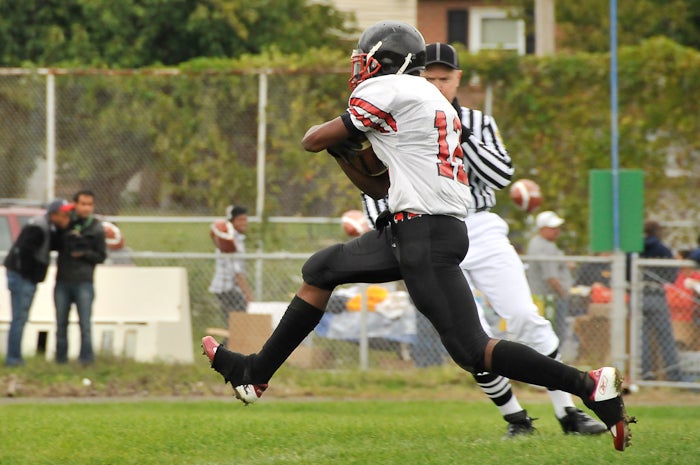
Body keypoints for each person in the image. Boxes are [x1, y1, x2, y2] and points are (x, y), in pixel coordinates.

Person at [201, 21, 633, 451]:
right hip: (422, 227)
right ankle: (255, 373)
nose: (359, 70)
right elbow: (379, 186)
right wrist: (346, 153)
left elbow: (311, 139)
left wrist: (337, 139)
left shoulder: (388, 88)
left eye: (365, 61)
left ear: (388, 62)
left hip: (425, 233)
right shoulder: (427, 97)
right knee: (321, 269)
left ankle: (587, 384)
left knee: (473, 349)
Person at [420, 43, 604, 437]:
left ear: (459, 80)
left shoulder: (478, 122)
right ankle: (516, 419)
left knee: (524, 315)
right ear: (415, 79)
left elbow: (501, 175)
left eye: (444, 78)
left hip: (479, 226)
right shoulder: (402, 123)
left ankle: (568, 412)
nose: (437, 86)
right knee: (470, 335)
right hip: (430, 231)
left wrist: (459, 131)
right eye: (429, 78)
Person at [3, 199, 73, 367]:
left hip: (25, 277)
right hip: (22, 278)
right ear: (54, 214)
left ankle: (15, 358)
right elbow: (23, 253)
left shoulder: (48, 227)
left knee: (21, 318)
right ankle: (13, 359)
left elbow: (57, 244)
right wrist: (31, 276)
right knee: (19, 318)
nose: (67, 217)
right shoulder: (38, 227)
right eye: (64, 213)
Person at [54, 190, 107, 365]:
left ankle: (86, 360)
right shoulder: (66, 223)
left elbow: (101, 256)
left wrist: (84, 253)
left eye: (89, 204)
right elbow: (55, 242)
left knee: (85, 323)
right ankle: (60, 359)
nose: (86, 208)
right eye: (82, 204)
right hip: (63, 281)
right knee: (61, 324)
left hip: (84, 281)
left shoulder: (96, 228)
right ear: (75, 204)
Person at [526, 211, 575, 352]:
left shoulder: (540, 243)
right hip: (551, 298)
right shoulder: (544, 246)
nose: (556, 231)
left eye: (557, 227)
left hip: (546, 297)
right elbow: (551, 277)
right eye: (552, 228)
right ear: (542, 229)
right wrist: (563, 293)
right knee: (555, 333)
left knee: (548, 333)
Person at [638, 220, 681, 381]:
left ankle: (644, 374)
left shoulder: (635, 249)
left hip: (638, 295)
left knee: (642, 339)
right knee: (665, 336)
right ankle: (674, 375)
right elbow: (672, 275)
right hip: (656, 294)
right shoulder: (662, 249)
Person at [208, 205, 253, 327]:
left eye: (245, 219)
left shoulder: (237, 238)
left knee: (235, 323)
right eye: (240, 220)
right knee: (238, 324)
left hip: (230, 287)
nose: (244, 223)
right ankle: (228, 345)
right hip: (227, 287)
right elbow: (236, 272)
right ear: (232, 222)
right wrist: (247, 294)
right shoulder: (229, 239)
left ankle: (230, 343)